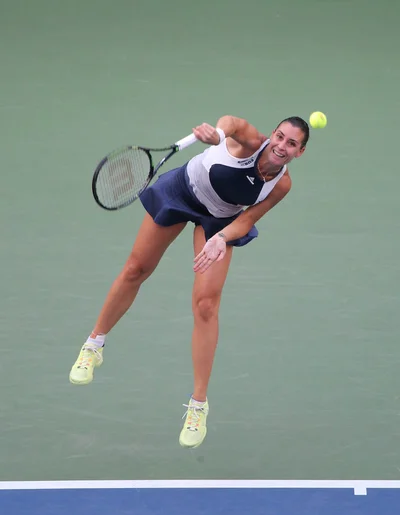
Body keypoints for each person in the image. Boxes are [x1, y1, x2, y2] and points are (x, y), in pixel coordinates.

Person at [69, 115, 309, 449]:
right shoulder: (250, 142)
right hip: (183, 190)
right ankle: (93, 346)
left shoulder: (281, 185)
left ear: (300, 152)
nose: (282, 146)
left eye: (292, 144)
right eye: (280, 137)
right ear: (272, 135)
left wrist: (220, 239)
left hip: (220, 220)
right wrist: (218, 134)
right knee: (136, 269)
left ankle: (198, 406)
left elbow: (248, 218)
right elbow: (233, 123)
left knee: (207, 306)